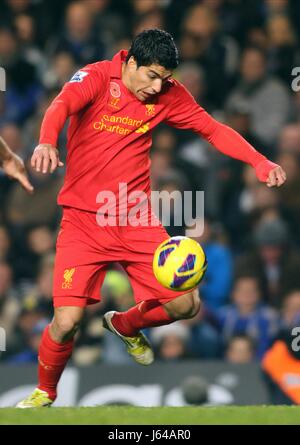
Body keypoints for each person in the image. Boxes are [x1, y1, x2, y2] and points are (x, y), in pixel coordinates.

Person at [17, 29, 286, 408]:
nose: (158, 87)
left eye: (165, 78)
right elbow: (60, 105)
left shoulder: (169, 93)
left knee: (186, 306)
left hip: (134, 218)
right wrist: (46, 140)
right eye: (151, 75)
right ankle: (45, 392)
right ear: (130, 63)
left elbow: (212, 129)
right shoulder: (95, 77)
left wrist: (259, 161)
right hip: (83, 221)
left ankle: (125, 324)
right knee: (66, 323)